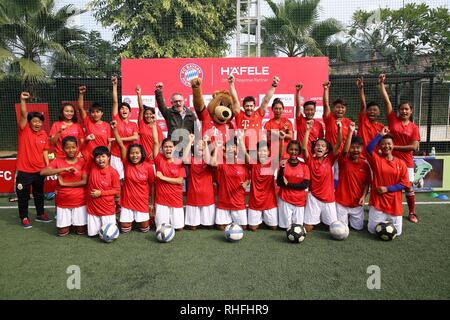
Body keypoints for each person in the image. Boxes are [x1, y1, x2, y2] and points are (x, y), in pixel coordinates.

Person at [379, 74, 420, 223]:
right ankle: (382, 209)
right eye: (402, 109)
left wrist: (393, 147)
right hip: (389, 160)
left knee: (408, 188)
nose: (404, 111)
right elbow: (386, 101)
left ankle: (412, 212)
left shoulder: (414, 128)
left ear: (411, 111)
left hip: (406, 162)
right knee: (387, 186)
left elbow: (414, 147)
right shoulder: (393, 120)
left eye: (407, 109)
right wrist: (382, 84)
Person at [15, 92, 52, 228]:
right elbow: (23, 114)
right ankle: (24, 217)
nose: (37, 123)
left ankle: (40, 214)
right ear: (29, 122)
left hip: (39, 171)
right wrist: (23, 100)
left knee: (39, 194)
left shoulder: (43, 134)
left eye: (40, 121)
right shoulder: (24, 130)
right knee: (23, 196)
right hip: (24, 172)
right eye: (35, 121)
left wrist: (47, 167)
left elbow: (45, 151)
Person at [111, 121, 154, 233]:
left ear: (141, 154)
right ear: (128, 155)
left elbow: (152, 185)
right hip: (127, 202)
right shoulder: (126, 163)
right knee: (125, 230)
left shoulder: (148, 167)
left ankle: (147, 219)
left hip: (142, 201)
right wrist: (115, 130)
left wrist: (151, 203)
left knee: (145, 229)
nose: (134, 155)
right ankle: (124, 219)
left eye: (137, 153)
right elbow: (120, 144)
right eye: (132, 153)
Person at [366, 127, 410, 236]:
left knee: (397, 233)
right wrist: (379, 135)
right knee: (372, 231)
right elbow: (369, 148)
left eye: (389, 144)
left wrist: (387, 189)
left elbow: (405, 183)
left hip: (394, 204)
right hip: (378, 203)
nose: (387, 146)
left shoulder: (401, 163)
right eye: (383, 144)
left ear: (393, 145)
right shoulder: (377, 160)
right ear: (380, 146)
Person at [40, 136, 87, 236]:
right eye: (67, 147)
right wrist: (63, 169)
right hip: (63, 202)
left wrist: (65, 184)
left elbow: (84, 182)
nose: (71, 150)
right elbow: (43, 172)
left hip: (79, 201)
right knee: (62, 232)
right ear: (63, 149)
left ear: (77, 147)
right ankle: (68, 222)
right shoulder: (58, 161)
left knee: (81, 231)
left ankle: (75, 222)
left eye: (73, 147)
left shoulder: (83, 161)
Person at [303, 119, 342, 233]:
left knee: (333, 229)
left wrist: (339, 129)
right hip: (313, 197)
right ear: (314, 148)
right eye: (317, 145)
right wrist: (308, 130)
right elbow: (304, 148)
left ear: (326, 150)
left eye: (323, 146)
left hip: (329, 199)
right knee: (307, 228)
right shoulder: (310, 160)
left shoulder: (329, 159)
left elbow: (338, 144)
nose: (320, 147)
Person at [335, 123, 371, 230]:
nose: (356, 150)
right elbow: (345, 151)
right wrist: (350, 132)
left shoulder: (365, 165)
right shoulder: (344, 161)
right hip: (341, 203)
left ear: (362, 149)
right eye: (353, 147)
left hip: (356, 204)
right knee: (341, 228)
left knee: (358, 228)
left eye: (358, 148)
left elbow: (366, 184)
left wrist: (363, 197)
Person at [151, 122, 186, 231]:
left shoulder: (179, 162)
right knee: (161, 228)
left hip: (176, 200)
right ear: (162, 149)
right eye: (165, 147)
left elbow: (179, 181)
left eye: (170, 146)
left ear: (174, 148)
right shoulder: (159, 159)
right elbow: (155, 142)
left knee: (179, 228)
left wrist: (163, 178)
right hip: (162, 201)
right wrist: (153, 126)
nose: (168, 149)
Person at [239, 137, 279, 231]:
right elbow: (245, 153)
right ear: (256, 152)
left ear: (268, 152)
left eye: (265, 151)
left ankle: (264, 219)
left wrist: (280, 140)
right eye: (260, 151)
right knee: (252, 228)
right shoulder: (253, 164)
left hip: (269, 202)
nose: (263, 153)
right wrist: (241, 140)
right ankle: (260, 220)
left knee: (274, 228)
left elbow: (280, 153)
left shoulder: (272, 163)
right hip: (255, 202)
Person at [231, 75, 280, 151]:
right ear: (243, 106)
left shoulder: (259, 114)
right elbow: (235, 99)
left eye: (251, 106)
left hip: (257, 150)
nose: (249, 108)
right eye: (247, 106)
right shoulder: (239, 115)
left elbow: (266, 100)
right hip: (242, 151)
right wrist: (231, 83)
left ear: (254, 106)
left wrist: (274, 86)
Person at [210, 137, 250, 230]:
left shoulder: (243, 163)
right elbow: (212, 163)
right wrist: (216, 147)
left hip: (238, 202)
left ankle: (232, 221)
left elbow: (248, 178)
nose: (231, 149)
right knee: (220, 227)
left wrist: (246, 183)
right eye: (229, 147)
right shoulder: (222, 164)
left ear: (237, 149)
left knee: (243, 227)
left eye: (233, 147)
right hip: (224, 202)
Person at [182, 134, 215, 230]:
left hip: (207, 198)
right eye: (198, 145)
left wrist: (205, 142)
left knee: (209, 226)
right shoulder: (191, 160)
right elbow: (184, 159)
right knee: (192, 227)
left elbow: (210, 162)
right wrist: (190, 141)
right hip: (193, 198)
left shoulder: (209, 160)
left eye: (203, 145)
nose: (200, 147)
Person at [86, 146, 120, 237]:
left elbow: (117, 191)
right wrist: (86, 141)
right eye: (98, 157)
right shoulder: (92, 166)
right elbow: (83, 150)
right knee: (92, 235)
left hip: (107, 209)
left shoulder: (113, 172)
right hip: (93, 208)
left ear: (108, 157)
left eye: (103, 156)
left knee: (110, 235)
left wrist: (101, 193)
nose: (100, 159)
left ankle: (115, 223)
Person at [109, 76, 139, 180]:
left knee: (128, 179)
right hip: (115, 154)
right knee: (116, 180)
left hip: (130, 156)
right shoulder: (116, 118)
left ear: (130, 113)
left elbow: (135, 137)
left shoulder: (133, 124)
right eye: (122, 108)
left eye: (126, 108)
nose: (124, 110)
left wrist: (116, 139)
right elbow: (115, 102)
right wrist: (114, 85)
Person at [276, 140, 310, 229]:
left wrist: (288, 184)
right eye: (291, 149)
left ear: (299, 151)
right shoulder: (284, 164)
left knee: (298, 227)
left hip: (299, 201)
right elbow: (279, 183)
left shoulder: (304, 166)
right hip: (285, 199)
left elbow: (305, 185)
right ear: (287, 150)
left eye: (296, 150)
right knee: (285, 228)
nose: (293, 152)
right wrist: (282, 169)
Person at [77, 85, 111, 167]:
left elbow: (109, 143)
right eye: (93, 112)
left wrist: (107, 157)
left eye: (98, 111)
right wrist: (81, 94)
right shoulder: (88, 121)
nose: (95, 114)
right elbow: (80, 108)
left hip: (102, 158)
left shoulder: (107, 125)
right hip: (89, 156)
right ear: (90, 113)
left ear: (102, 113)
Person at [356, 77, 384, 157]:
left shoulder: (381, 127)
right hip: (361, 157)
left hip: (375, 158)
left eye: (375, 110)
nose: (372, 112)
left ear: (379, 113)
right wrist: (361, 89)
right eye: (370, 110)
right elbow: (363, 105)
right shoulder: (363, 121)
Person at [136, 84, 163, 164]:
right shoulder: (141, 124)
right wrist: (139, 94)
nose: (148, 115)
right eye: (146, 114)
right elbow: (141, 108)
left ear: (154, 115)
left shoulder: (157, 127)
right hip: (141, 158)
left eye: (150, 114)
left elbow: (160, 141)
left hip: (153, 157)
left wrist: (155, 151)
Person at [295, 83, 324, 154]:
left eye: (312, 110)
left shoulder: (319, 124)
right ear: (304, 111)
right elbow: (298, 106)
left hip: (313, 156)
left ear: (315, 110)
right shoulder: (300, 120)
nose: (309, 112)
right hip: (300, 155)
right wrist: (298, 91)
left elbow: (321, 141)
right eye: (307, 110)